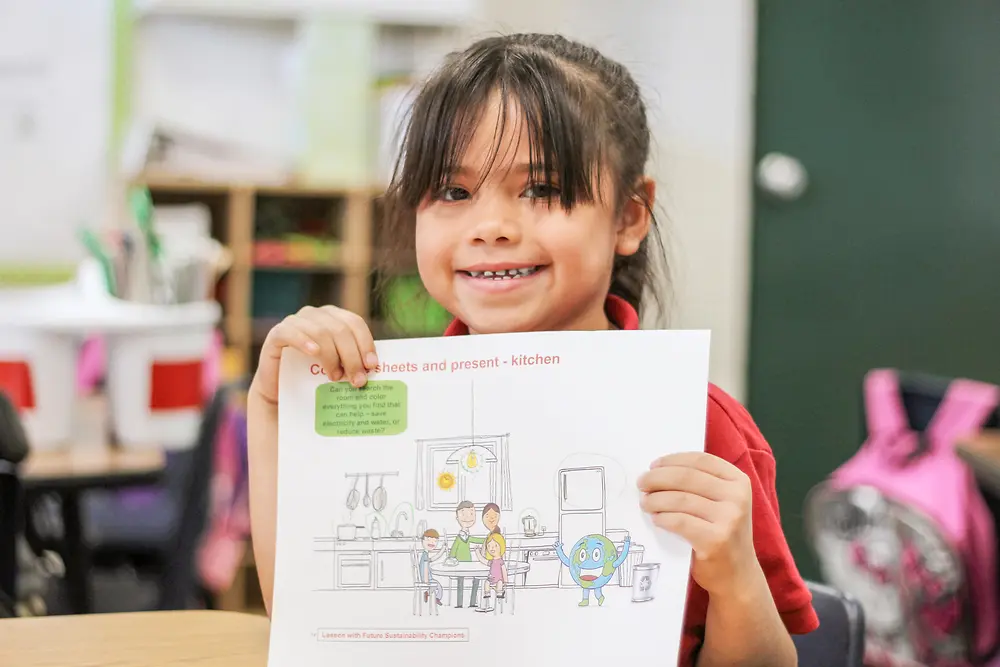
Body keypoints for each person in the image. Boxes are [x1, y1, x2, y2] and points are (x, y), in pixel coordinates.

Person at [248, 32, 817, 666]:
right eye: (455, 193)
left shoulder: (701, 427)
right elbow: (305, 621)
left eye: (541, 189)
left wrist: (734, 573)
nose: (491, 227)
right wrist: (276, 408)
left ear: (629, 216)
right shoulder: (377, 397)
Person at [448, 500, 486, 608]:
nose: (467, 517)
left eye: (471, 513)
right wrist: (451, 557)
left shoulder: (467, 537)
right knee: (460, 583)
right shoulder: (459, 538)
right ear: (457, 518)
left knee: (477, 578)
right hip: (460, 564)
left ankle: (472, 603)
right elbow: (454, 549)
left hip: (469, 563)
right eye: (463, 514)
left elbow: (476, 539)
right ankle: (459, 604)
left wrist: (487, 540)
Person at [473, 532, 508, 612]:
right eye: (489, 546)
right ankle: (487, 594)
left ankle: (500, 593)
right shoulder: (491, 561)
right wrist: (478, 553)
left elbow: (504, 570)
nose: (492, 548)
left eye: (495, 546)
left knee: (499, 583)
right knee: (486, 583)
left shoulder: (500, 561)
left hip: (499, 579)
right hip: (490, 579)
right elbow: (483, 560)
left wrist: (505, 580)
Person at [416, 529, 447, 606]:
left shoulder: (425, 554)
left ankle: (429, 593)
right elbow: (426, 567)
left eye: (434, 541)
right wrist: (426, 582)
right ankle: (436, 598)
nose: (431, 543)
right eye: (428, 540)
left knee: (436, 585)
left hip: (427, 578)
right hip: (426, 579)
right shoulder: (425, 556)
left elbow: (433, 558)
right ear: (422, 540)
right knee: (438, 586)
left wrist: (442, 550)